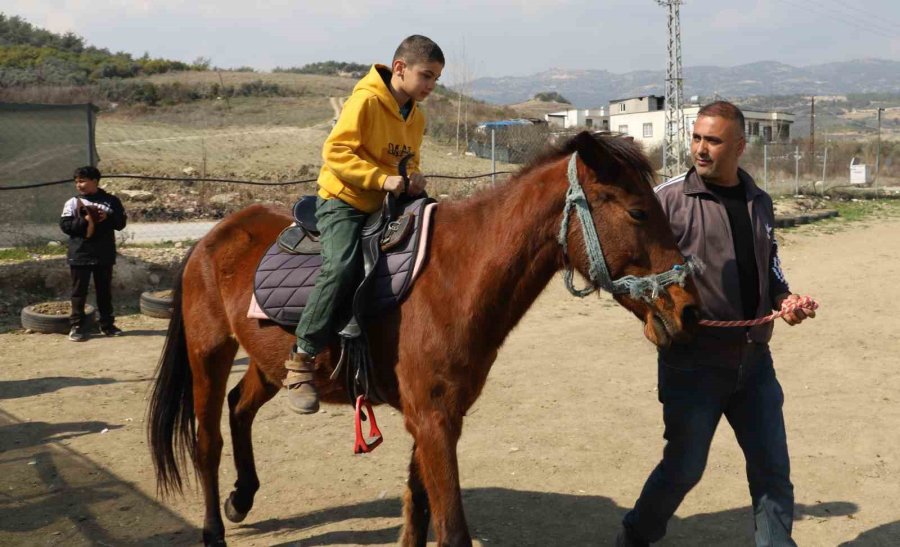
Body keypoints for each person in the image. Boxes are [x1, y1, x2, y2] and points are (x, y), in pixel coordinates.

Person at [617, 101, 815, 547]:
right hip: (693, 365)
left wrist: (787, 300)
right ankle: (633, 537)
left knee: (772, 472)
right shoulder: (666, 201)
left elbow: (772, 268)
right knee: (683, 470)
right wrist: (654, 315)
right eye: (697, 138)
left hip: (755, 363)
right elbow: (629, 271)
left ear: (740, 146)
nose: (701, 149)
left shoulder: (758, 201)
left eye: (713, 140)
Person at [283, 35, 444, 414]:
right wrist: (381, 179)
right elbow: (336, 152)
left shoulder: (416, 116)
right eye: (426, 76)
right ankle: (301, 358)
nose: (430, 86)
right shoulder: (366, 100)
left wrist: (413, 178)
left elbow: (409, 161)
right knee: (341, 266)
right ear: (401, 68)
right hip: (344, 202)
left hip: (387, 204)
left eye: (436, 79)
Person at [59, 166, 128, 342]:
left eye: (82, 181)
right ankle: (77, 327)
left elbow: (120, 224)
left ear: (95, 181)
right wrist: (86, 220)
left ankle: (107, 325)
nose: (79, 185)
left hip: (103, 253)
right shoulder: (72, 202)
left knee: (104, 291)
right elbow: (66, 226)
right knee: (78, 292)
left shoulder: (111, 201)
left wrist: (107, 217)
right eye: (76, 182)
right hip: (80, 253)